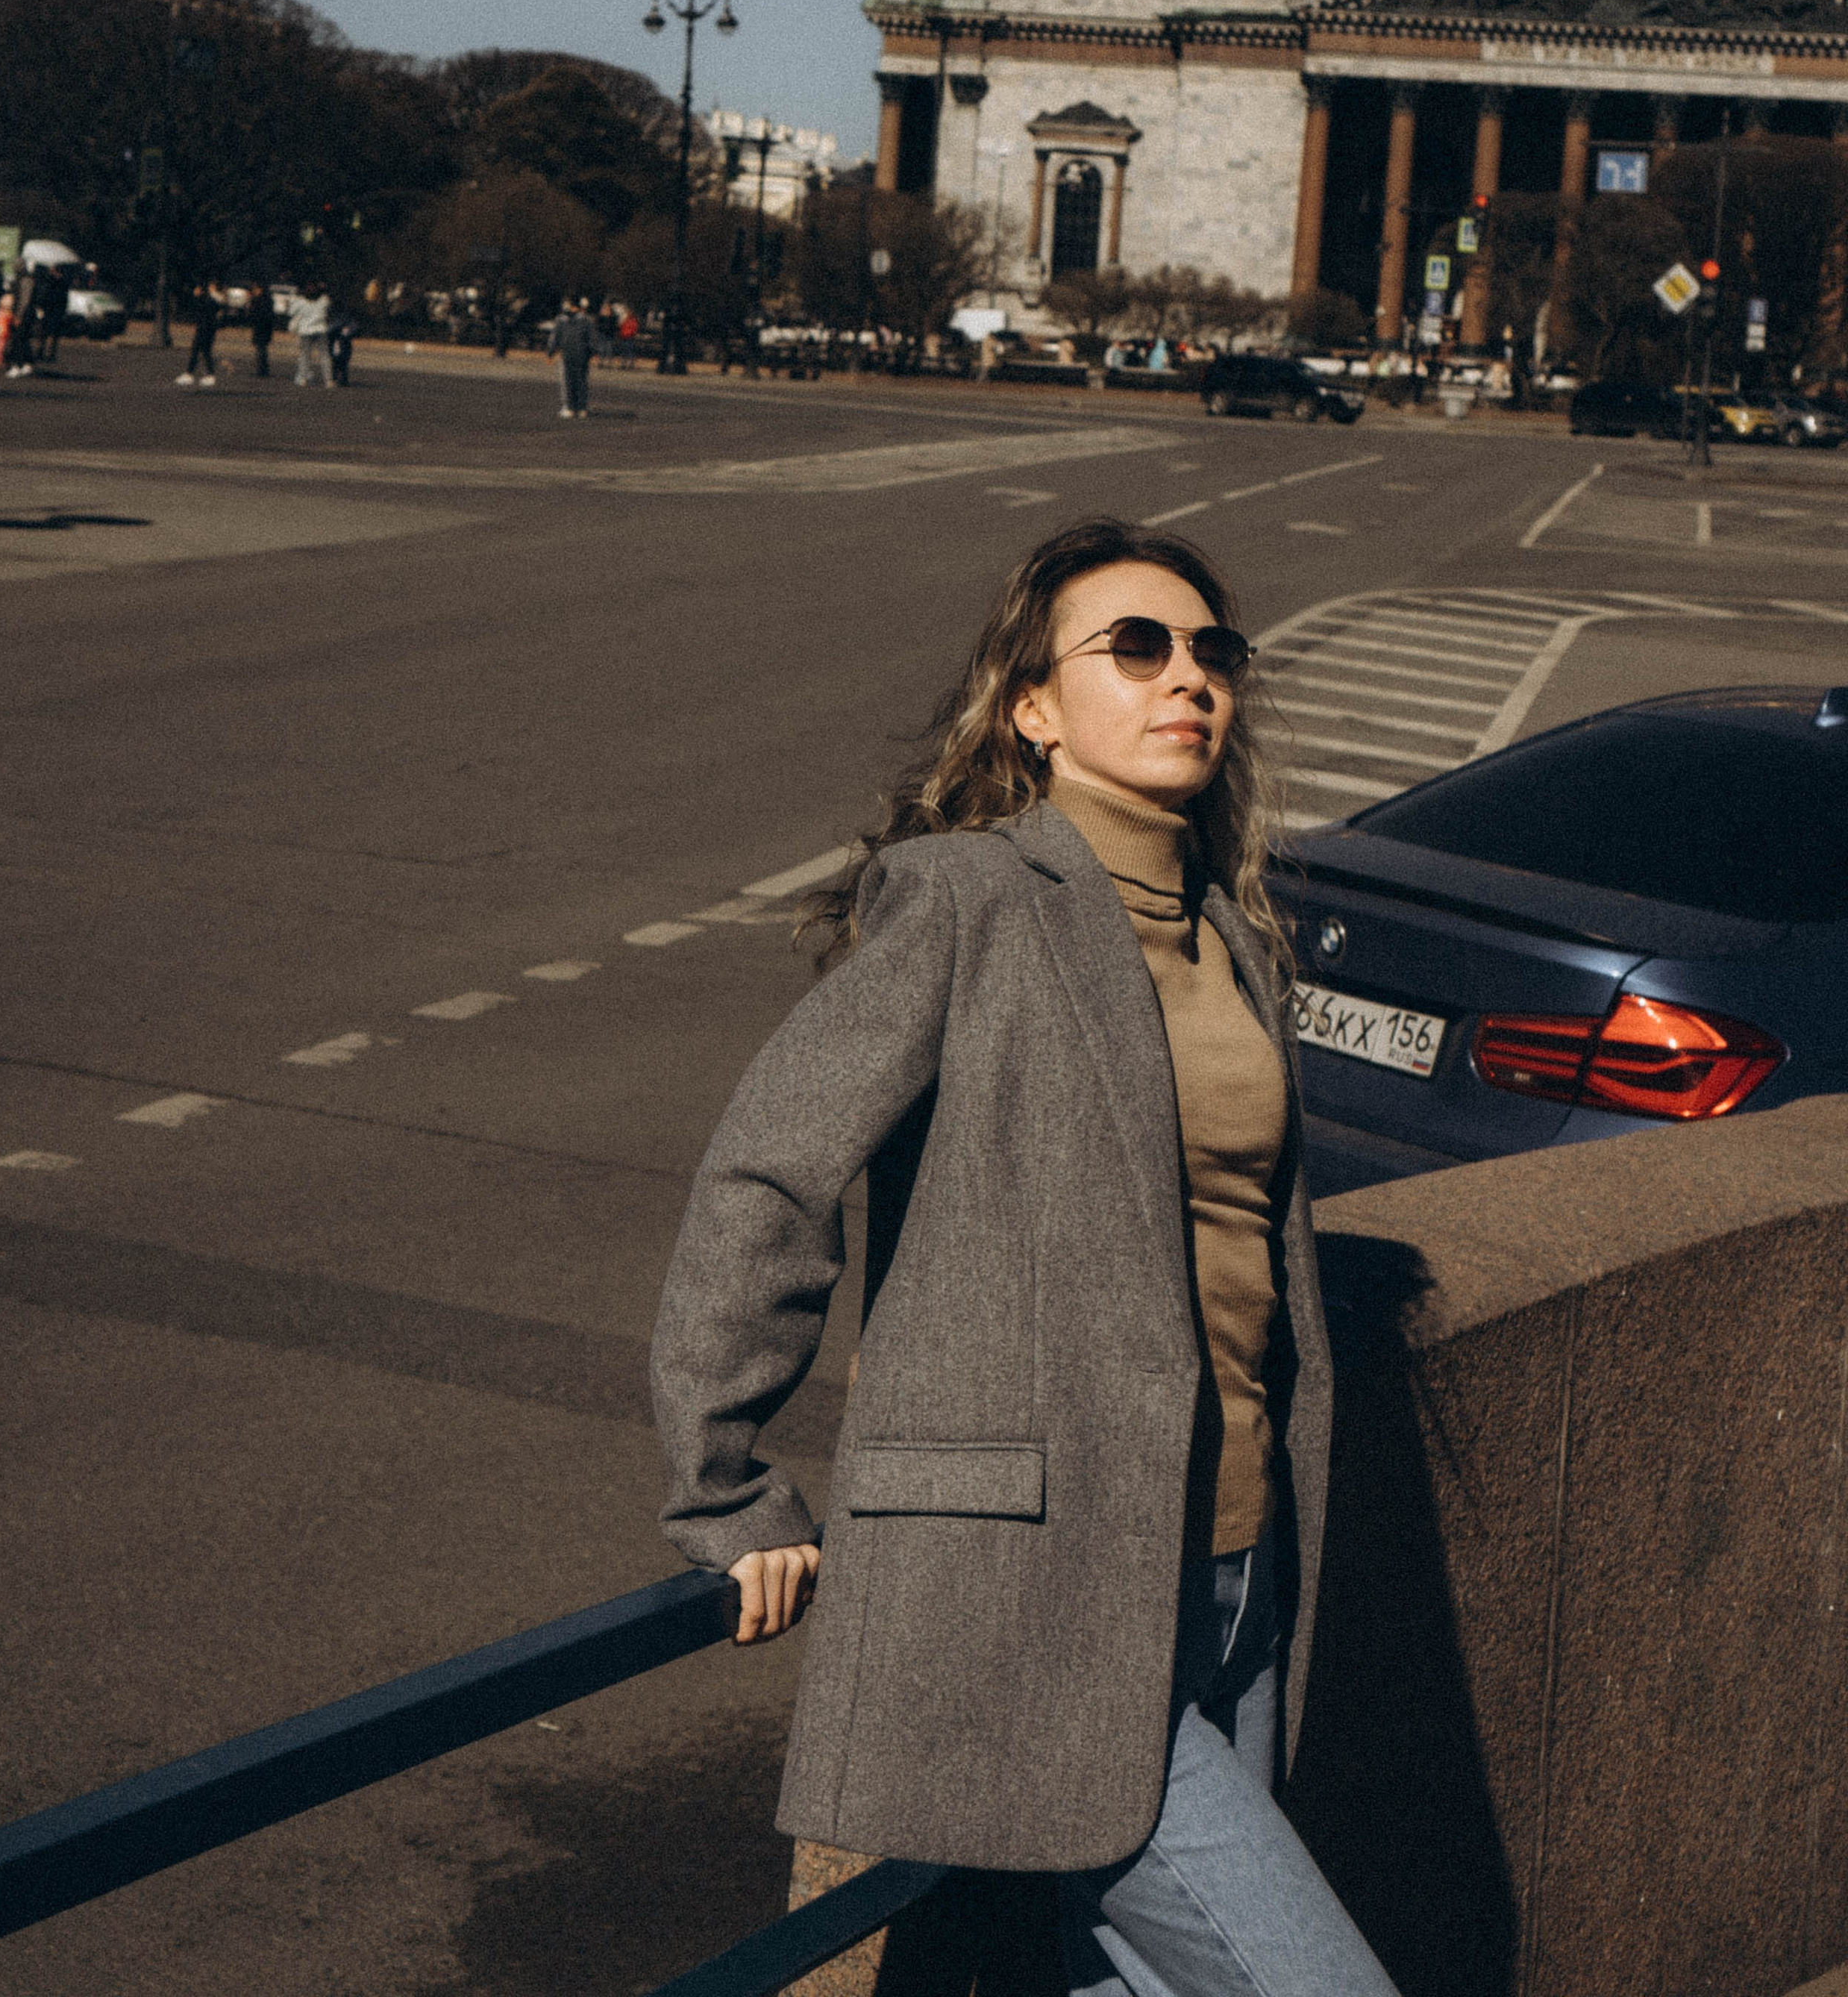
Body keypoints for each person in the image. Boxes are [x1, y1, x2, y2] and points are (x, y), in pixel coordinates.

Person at [651, 518, 1397, 1997]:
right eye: (1134, 647)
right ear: (1034, 708)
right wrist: (725, 1485)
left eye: (1208, 653)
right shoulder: (970, 901)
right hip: (1040, 1591)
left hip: (1238, 1574)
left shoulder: (1231, 943)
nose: (1185, 677)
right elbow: (764, 1173)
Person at [547, 295, 604, 419]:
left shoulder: (563, 320)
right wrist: (594, 352)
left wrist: (551, 352)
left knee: (569, 381)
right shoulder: (586, 320)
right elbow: (592, 338)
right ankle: (580, 408)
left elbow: (555, 337)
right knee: (580, 381)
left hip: (571, 354)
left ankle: (571, 407)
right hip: (580, 355)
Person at [176, 281, 222, 388]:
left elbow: (203, 310)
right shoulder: (213, 299)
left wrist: (197, 297)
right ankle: (207, 374)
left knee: (197, 350)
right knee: (204, 352)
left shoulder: (212, 299)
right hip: (207, 329)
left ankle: (190, 374)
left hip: (205, 329)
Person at [289, 286, 333, 387]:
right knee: (325, 356)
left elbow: (291, 312)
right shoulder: (324, 300)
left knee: (305, 356)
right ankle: (328, 380)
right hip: (321, 329)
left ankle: (303, 378)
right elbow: (328, 310)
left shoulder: (301, 301)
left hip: (306, 330)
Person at [248, 285, 276, 380]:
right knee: (262, 349)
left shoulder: (259, 301)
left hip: (261, 327)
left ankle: (262, 369)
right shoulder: (268, 300)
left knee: (261, 349)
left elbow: (254, 313)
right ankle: (263, 368)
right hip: (265, 327)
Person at [328, 306, 356, 387]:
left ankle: (340, 378)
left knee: (340, 361)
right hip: (338, 340)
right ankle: (339, 378)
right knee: (338, 361)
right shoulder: (345, 318)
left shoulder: (337, 317)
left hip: (341, 341)